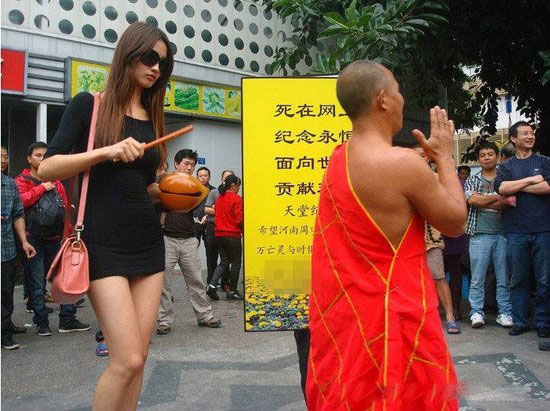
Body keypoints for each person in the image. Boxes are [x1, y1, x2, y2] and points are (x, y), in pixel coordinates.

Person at [307, 60, 466, 409]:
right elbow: (455, 222)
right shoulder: (402, 164)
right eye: (398, 90)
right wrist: (443, 156)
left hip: (349, 319)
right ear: (382, 99)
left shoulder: (338, 159)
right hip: (396, 321)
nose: (401, 99)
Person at [37, 22, 173, 410]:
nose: (155, 68)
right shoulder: (90, 104)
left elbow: (143, 185)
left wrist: (171, 192)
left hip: (147, 242)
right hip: (101, 243)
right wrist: (106, 151)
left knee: (140, 358)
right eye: (149, 58)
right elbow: (47, 168)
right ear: (128, 54)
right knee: (125, 359)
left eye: (163, 63)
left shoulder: (152, 115)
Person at [16, 142, 90, 336]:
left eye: (45, 155)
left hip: (56, 239)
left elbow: (64, 209)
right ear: (29, 158)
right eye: (38, 155)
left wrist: (69, 234)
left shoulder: (56, 182)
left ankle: (67, 319)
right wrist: (42, 187)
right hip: (33, 239)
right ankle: (41, 322)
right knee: (37, 282)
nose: (42, 159)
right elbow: (21, 202)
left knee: (65, 278)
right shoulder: (22, 180)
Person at [155, 149, 221, 335]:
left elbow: (202, 209)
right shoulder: (164, 182)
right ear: (176, 164)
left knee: (196, 281)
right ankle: (164, 320)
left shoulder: (196, 187)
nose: (189, 167)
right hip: (166, 237)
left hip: (189, 238)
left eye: (192, 164)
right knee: (163, 284)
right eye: (186, 163)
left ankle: (205, 315)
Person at [494, 121, 550, 339]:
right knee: (518, 279)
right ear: (513, 139)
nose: (530, 136)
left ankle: (543, 322)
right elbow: (501, 188)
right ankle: (520, 321)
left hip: (543, 229)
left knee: (544, 279)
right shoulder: (506, 166)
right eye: (525, 133)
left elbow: (547, 187)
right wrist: (531, 180)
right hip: (516, 231)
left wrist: (517, 186)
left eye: (532, 132)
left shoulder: (544, 162)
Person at [464, 141, 513, 328]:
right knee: (477, 277)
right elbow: (472, 201)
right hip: (479, 233)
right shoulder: (472, 179)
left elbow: (508, 202)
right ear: (478, 159)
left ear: (498, 156)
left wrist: (483, 199)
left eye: (490, 154)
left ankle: (505, 312)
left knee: (504, 277)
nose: (486, 158)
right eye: (482, 155)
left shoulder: (505, 178)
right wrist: (498, 197)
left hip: (504, 233)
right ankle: (476, 312)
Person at [413, 145, 461, 334]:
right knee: (412, 279)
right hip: (409, 237)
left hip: (431, 236)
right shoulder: (402, 178)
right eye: (416, 155)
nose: (420, 159)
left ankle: (450, 316)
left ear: (428, 158)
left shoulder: (436, 178)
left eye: (423, 155)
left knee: (438, 276)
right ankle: (419, 318)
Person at [2, 162, 36, 350]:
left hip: (6, 248)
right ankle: (4, 331)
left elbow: (18, 214)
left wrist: (24, 241)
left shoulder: (10, 184)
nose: (3, 160)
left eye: (5, 156)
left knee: (6, 293)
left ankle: (6, 328)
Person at [206, 174, 243, 301]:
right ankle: (232, 291)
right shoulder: (237, 199)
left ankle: (211, 286)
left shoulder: (219, 198)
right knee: (236, 263)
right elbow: (239, 219)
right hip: (232, 235)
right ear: (233, 185)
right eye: (238, 186)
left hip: (219, 234)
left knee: (224, 261)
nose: (238, 189)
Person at [204, 170, 234, 289]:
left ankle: (225, 283)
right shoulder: (214, 192)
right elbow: (207, 209)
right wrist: (223, 211)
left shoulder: (234, 194)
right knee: (211, 256)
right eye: (225, 177)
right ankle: (211, 283)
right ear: (222, 179)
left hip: (226, 229)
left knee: (225, 258)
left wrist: (217, 209)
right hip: (212, 227)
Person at [193, 166, 215, 245]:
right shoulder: (193, 189)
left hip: (209, 224)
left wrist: (207, 215)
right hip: (195, 223)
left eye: (205, 176)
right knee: (193, 248)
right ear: (197, 177)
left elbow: (216, 207)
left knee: (210, 249)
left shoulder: (214, 191)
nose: (203, 178)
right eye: (200, 176)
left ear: (209, 177)